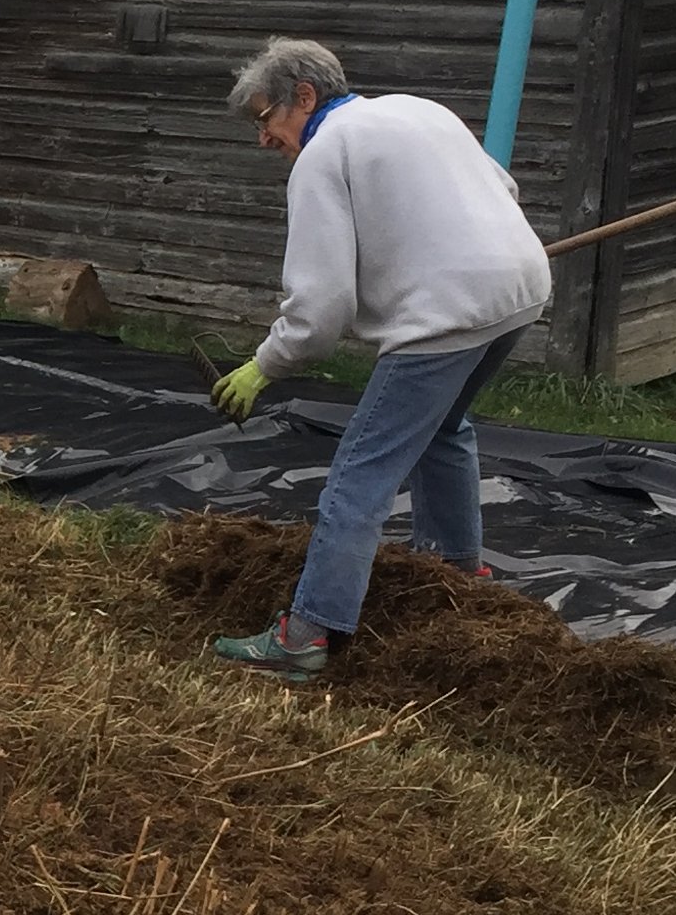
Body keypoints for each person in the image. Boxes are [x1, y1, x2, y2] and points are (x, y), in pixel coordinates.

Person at [207, 37, 552, 682]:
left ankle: (305, 635)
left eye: (264, 119)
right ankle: (459, 573)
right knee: (445, 429)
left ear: (303, 98)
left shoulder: (322, 155)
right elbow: (501, 187)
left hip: (448, 316)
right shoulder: (420, 110)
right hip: (521, 293)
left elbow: (321, 309)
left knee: (361, 471)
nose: (263, 139)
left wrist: (265, 364)